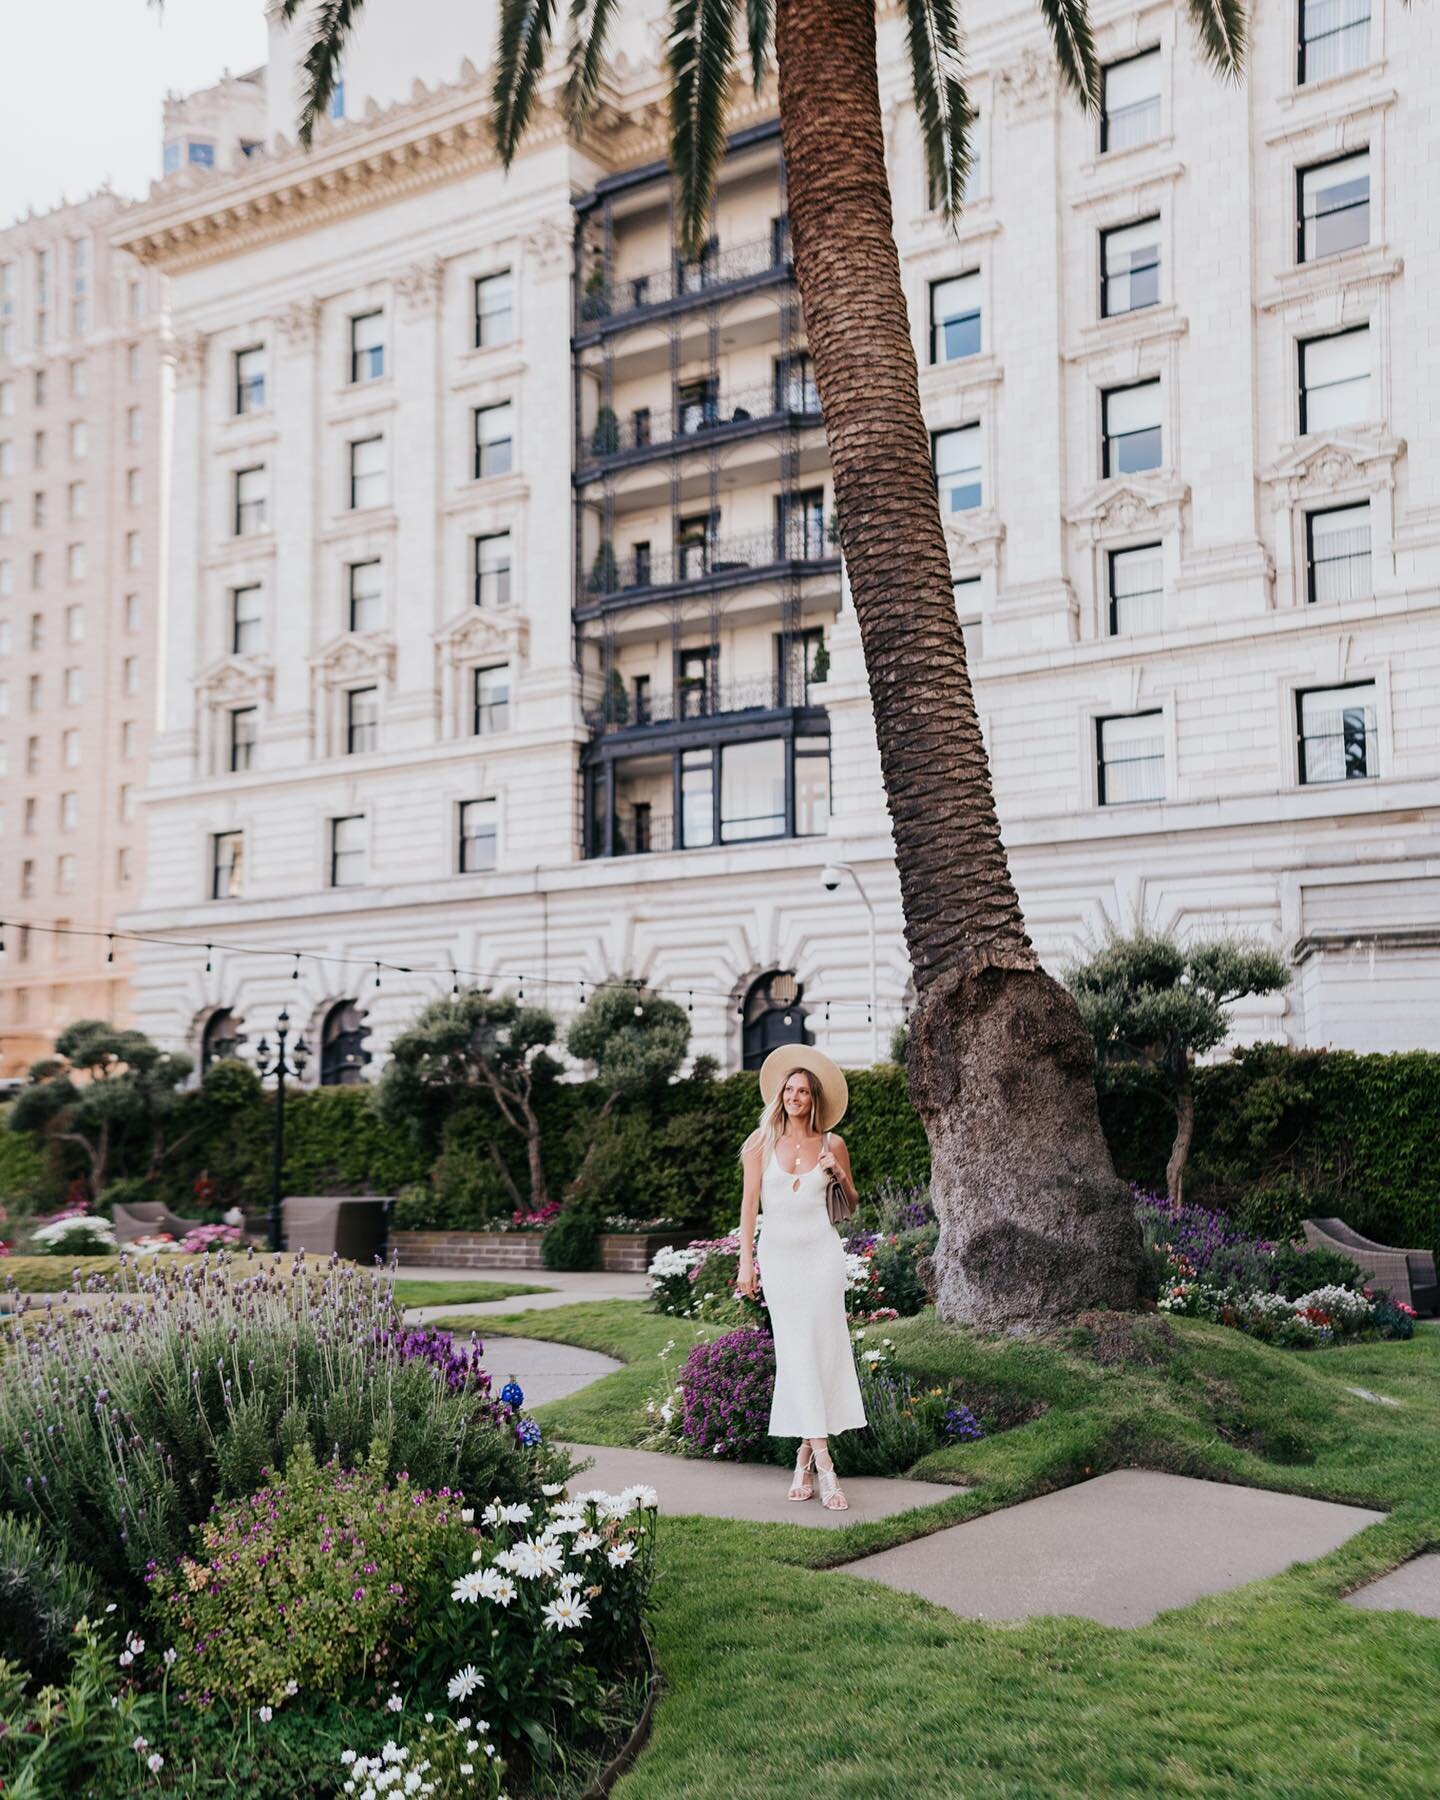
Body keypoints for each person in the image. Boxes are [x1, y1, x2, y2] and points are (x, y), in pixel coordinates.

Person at [738, 1044, 866, 1510]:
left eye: (804, 1091)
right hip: (779, 1261)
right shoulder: (760, 1144)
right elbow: (749, 1206)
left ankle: (810, 1461)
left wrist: (838, 1175)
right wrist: (745, 1262)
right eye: (789, 1090)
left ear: (814, 1099)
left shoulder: (833, 1144)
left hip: (821, 1257)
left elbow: (849, 1207)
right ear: (780, 1095)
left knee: (821, 1350)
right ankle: (822, 1463)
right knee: (795, 1354)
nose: (795, 1097)